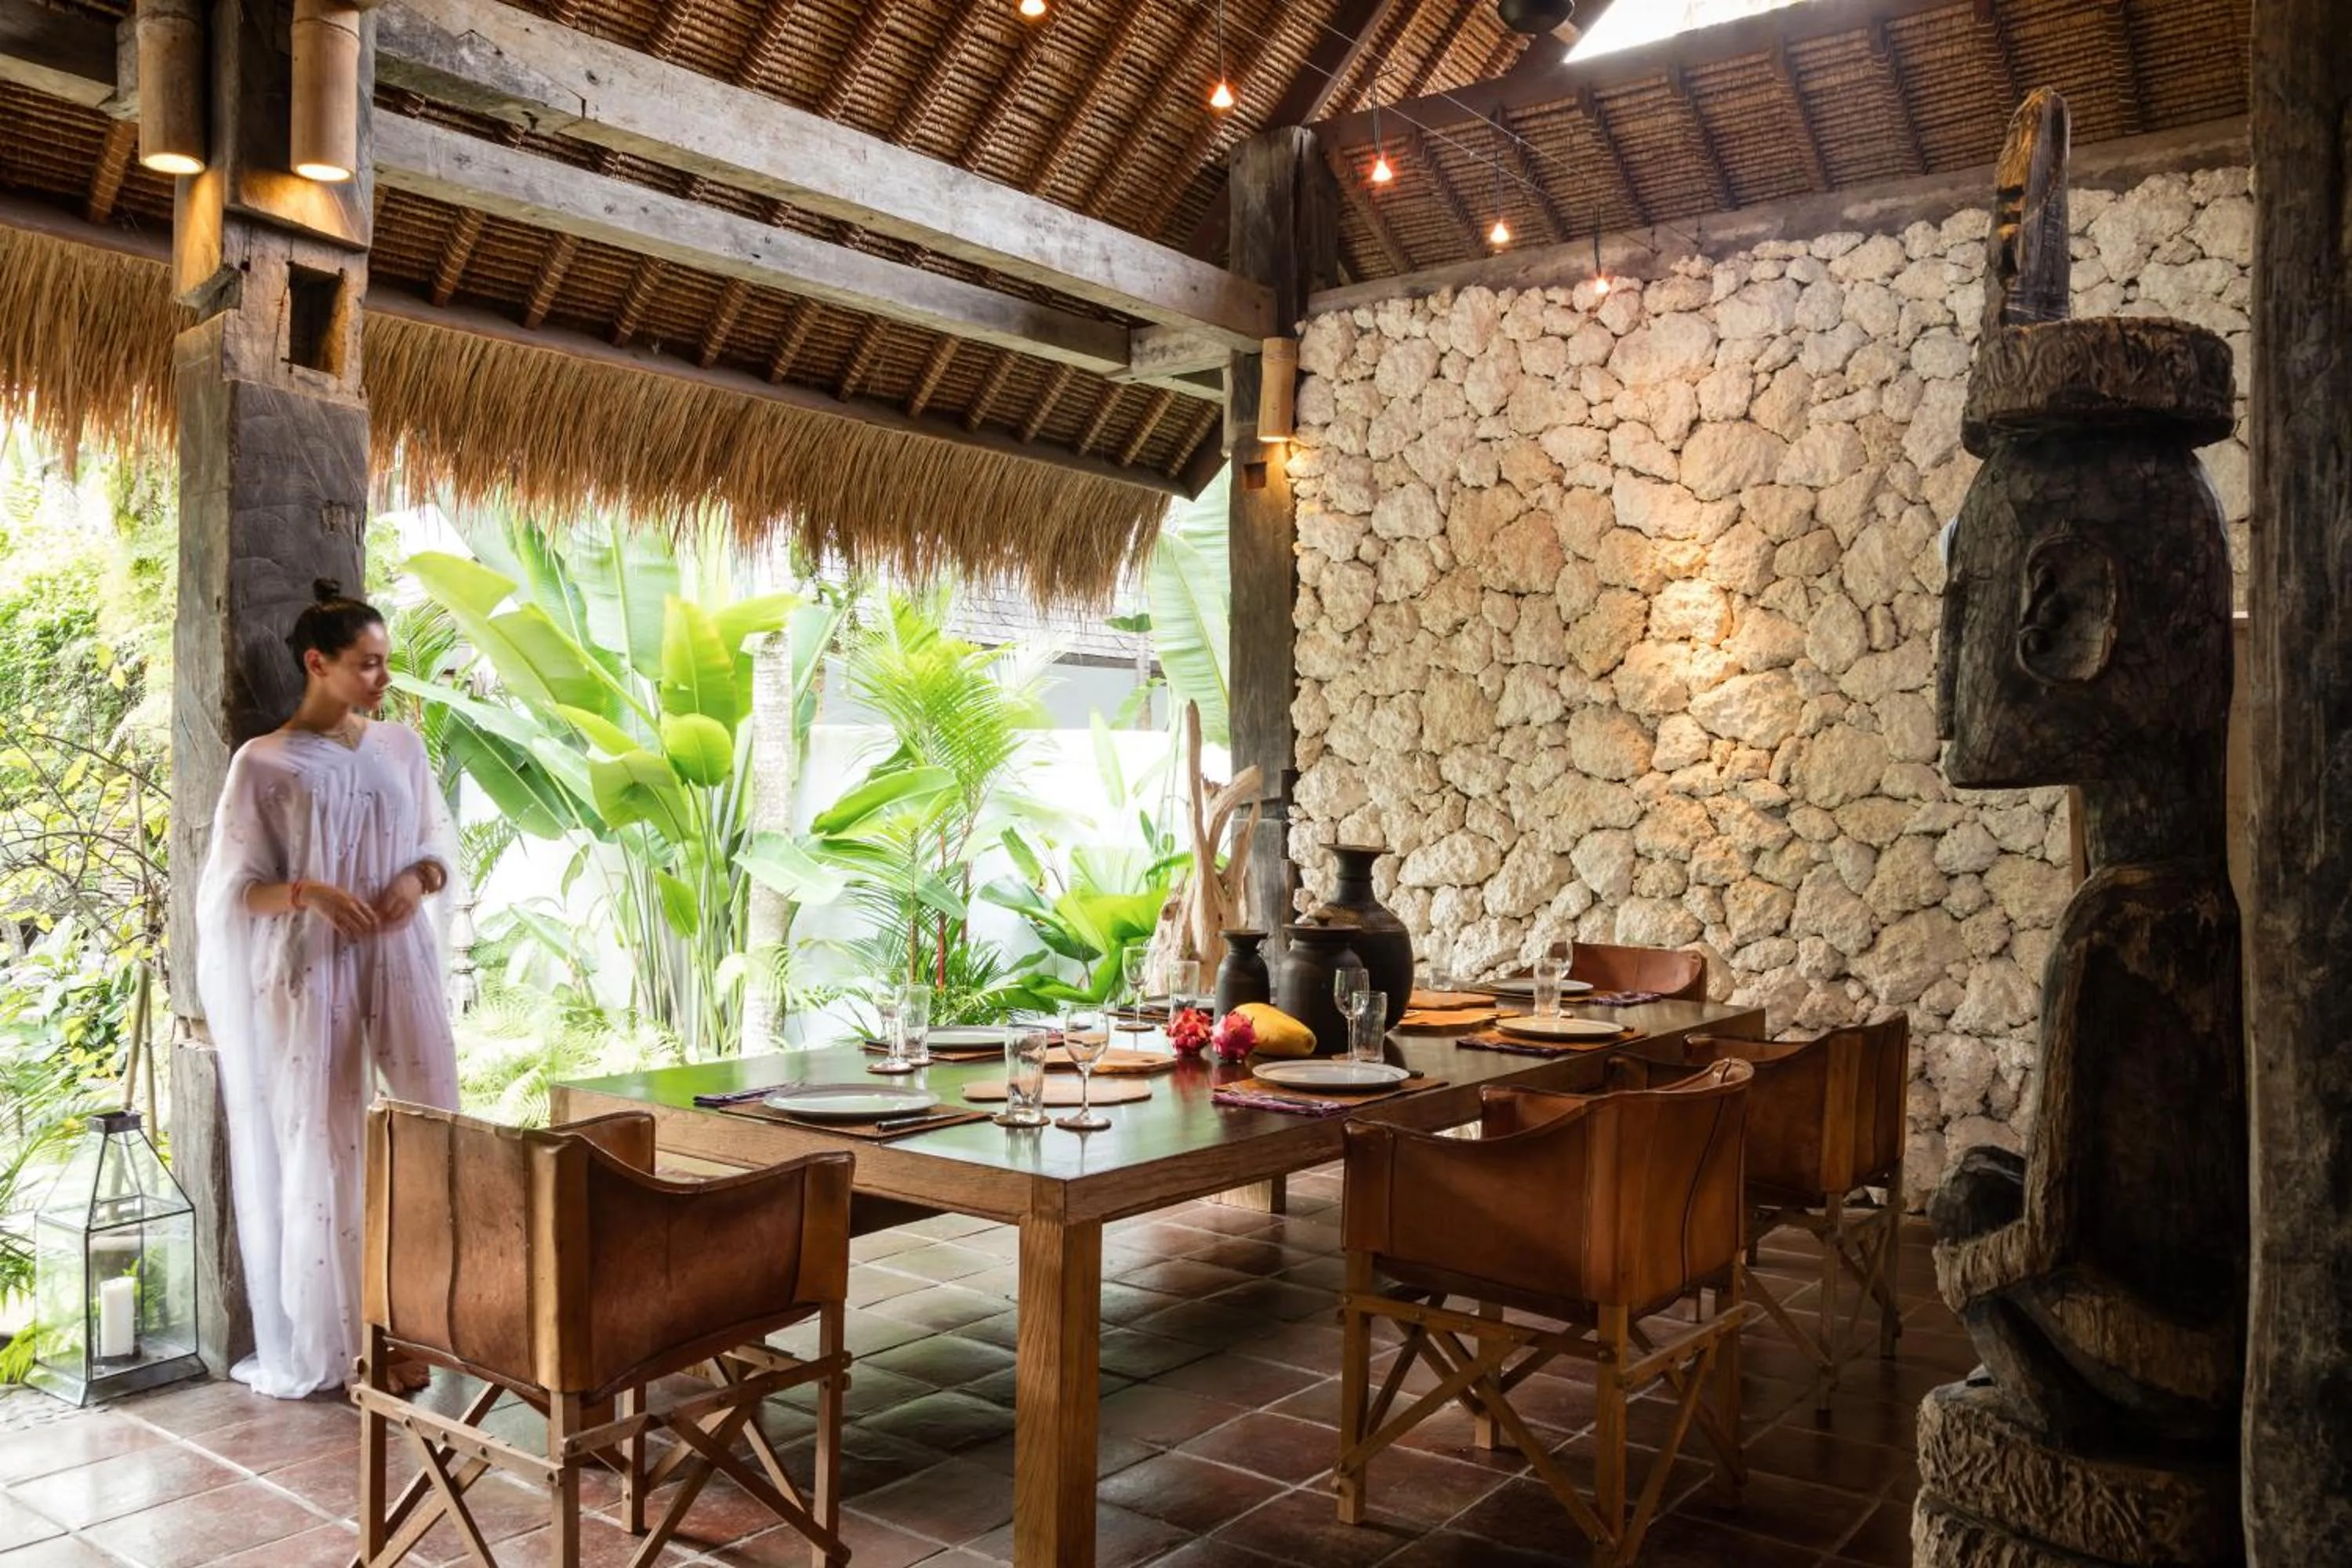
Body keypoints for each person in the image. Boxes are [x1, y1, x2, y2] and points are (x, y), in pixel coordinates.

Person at [194, 580, 460, 1398]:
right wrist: (309, 890)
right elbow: (231, 893)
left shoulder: (400, 748)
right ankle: (342, 1339)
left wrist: (417, 880)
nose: (383, 678)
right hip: (311, 969)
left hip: (399, 954)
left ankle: (430, 1320)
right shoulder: (264, 763)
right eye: (367, 664)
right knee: (323, 1138)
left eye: (386, 663)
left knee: (432, 1125)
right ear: (319, 662)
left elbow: (438, 844)